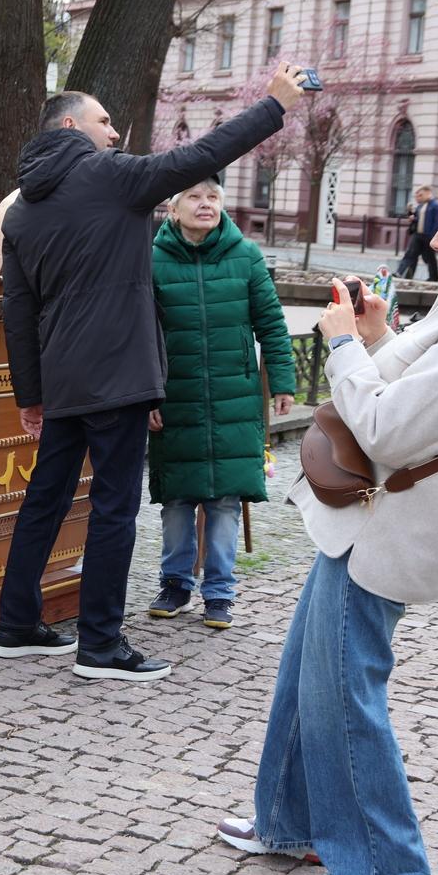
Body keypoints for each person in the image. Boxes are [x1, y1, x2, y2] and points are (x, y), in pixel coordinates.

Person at [216, 165, 438, 875]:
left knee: (346, 700)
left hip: (390, 532)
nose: (433, 243)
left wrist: (345, 342)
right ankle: (293, 821)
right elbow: (410, 397)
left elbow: (381, 425)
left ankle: (386, 869)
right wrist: (378, 337)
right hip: (371, 521)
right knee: (307, 677)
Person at [0, 62, 308, 681]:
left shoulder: (23, 209)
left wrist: (32, 392)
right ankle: (101, 645)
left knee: (46, 498)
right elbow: (200, 156)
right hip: (117, 375)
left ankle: (17, 624)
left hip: (63, 378)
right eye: (102, 121)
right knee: (113, 506)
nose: (113, 133)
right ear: (68, 125)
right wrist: (274, 105)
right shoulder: (108, 176)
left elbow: (19, 310)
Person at [145, 179, 295, 629]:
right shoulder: (150, 259)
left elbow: (271, 322)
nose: (205, 204)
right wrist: (147, 394)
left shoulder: (245, 255)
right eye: (193, 196)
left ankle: (220, 592)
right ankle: (175, 584)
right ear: (174, 208)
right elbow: (140, 334)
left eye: (213, 197)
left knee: (225, 502)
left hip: (234, 397)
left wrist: (283, 381)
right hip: (177, 396)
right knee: (177, 498)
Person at [395, 184, 438, 281]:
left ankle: (433, 278)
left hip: (429, 236)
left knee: (430, 258)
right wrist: (413, 218)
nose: (418, 198)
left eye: (420, 195)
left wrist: (434, 237)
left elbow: (437, 222)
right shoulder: (420, 206)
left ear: (428, 193)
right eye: (417, 196)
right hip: (418, 235)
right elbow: (419, 219)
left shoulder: (436, 205)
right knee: (410, 254)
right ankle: (401, 273)